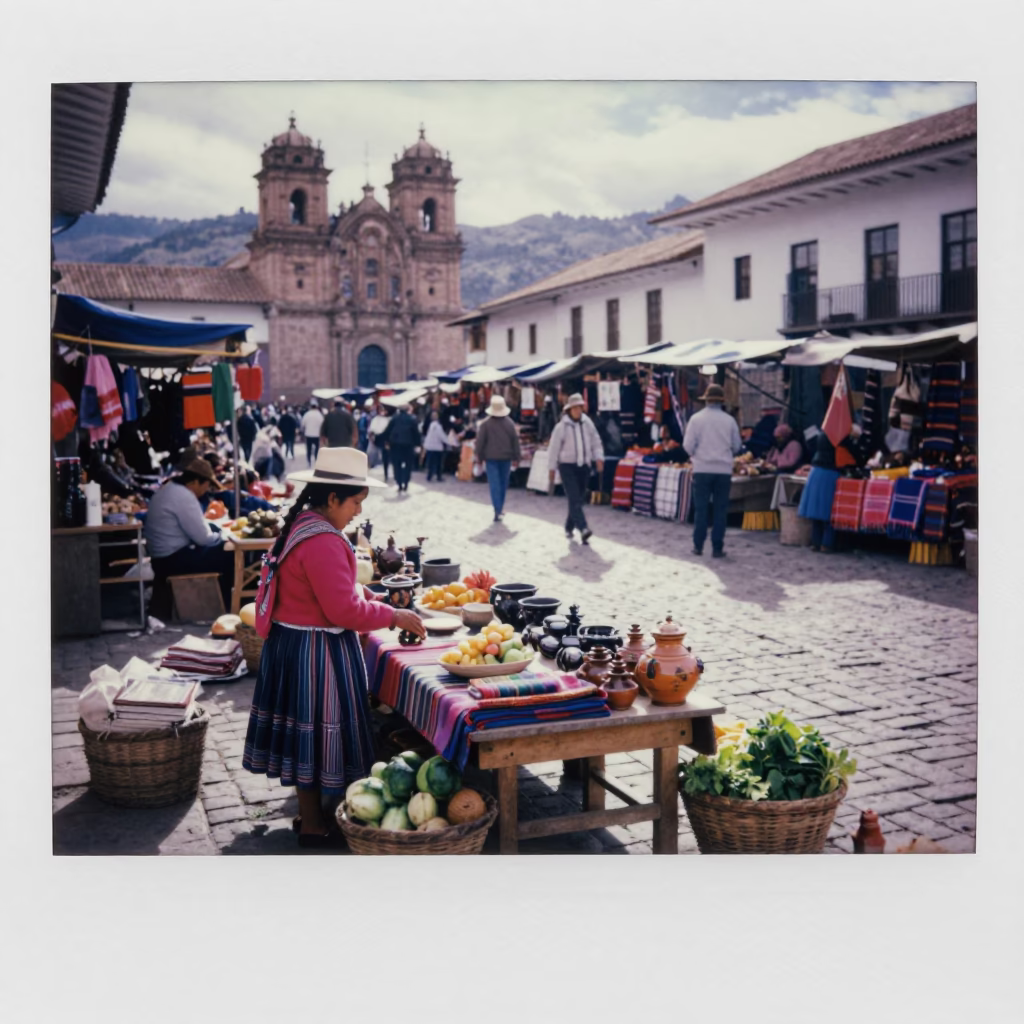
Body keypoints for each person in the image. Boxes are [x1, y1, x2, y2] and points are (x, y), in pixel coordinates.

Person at [242, 447, 425, 847]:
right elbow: (342, 610)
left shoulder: (301, 527)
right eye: (355, 502)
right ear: (332, 499)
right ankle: (314, 824)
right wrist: (393, 616)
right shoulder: (324, 541)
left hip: (293, 645)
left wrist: (372, 602)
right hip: (315, 653)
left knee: (305, 738)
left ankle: (312, 816)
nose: (358, 511)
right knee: (317, 735)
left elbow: (329, 594)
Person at [142, 457, 235, 608]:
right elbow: (204, 539)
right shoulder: (184, 496)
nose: (206, 490)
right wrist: (223, 537)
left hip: (161, 558)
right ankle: (228, 604)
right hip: (172, 560)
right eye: (206, 485)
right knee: (230, 553)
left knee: (223, 549)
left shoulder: (170, 489)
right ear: (196, 482)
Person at [682, 383, 742, 558]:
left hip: (702, 468)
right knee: (720, 510)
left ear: (706, 401)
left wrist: (697, 455)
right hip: (723, 470)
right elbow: (736, 446)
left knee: (701, 510)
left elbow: (687, 446)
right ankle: (717, 547)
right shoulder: (729, 420)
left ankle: (698, 546)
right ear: (722, 401)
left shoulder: (696, 419)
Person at [547, 393, 604, 543]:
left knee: (578, 498)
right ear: (569, 409)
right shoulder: (561, 427)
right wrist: (551, 468)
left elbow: (595, 441)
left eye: (580, 407)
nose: (578, 410)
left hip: (583, 465)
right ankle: (583, 528)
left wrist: (598, 457)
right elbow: (553, 449)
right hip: (567, 466)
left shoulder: (588, 423)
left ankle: (568, 526)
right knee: (573, 497)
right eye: (575, 408)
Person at [798, 426, 862, 552]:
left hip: (816, 472)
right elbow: (854, 453)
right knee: (830, 511)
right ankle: (826, 544)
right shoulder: (841, 437)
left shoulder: (822, 434)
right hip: (830, 473)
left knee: (817, 512)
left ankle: (816, 543)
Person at [474, 395, 521, 521]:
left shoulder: (485, 424)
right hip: (506, 458)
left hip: (491, 459)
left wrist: (478, 457)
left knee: (494, 484)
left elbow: (480, 442)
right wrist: (517, 457)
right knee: (503, 484)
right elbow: (515, 441)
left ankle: (497, 509)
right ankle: (500, 508)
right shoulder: (510, 423)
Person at [380, 403, 421, 493]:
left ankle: (399, 483)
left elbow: (387, 431)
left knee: (397, 465)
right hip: (408, 445)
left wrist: (384, 440)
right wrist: (418, 444)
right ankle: (405, 483)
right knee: (408, 465)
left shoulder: (394, 418)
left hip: (395, 445)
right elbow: (416, 433)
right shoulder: (412, 419)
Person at [423, 410, 450, 483]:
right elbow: (442, 436)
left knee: (430, 462)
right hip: (437, 447)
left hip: (430, 447)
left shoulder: (431, 425)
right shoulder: (437, 426)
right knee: (438, 463)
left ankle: (429, 476)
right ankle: (438, 476)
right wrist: (448, 442)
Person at [367, 405, 392, 481]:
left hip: (385, 439)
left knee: (385, 457)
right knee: (372, 454)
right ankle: (370, 468)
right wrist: (371, 438)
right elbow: (371, 430)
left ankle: (386, 473)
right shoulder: (375, 419)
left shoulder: (388, 420)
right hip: (376, 439)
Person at [300, 400, 325, 467]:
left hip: (308, 434)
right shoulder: (320, 415)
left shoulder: (307, 414)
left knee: (309, 449)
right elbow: (323, 425)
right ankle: (316, 460)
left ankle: (309, 462)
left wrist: (303, 432)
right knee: (317, 449)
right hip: (317, 435)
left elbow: (303, 424)